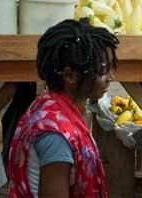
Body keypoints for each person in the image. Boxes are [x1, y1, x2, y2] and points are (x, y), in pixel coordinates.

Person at [8, 20, 115, 198]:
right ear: (70, 76)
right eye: (102, 70)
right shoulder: (56, 137)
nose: (110, 77)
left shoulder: (50, 105)